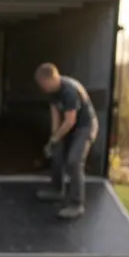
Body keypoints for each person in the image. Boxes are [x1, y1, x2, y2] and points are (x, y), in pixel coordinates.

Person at [33, 63, 99, 220]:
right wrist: (53, 139)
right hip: (70, 126)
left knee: (74, 160)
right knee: (57, 152)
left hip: (85, 127)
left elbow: (70, 120)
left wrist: (56, 137)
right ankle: (57, 190)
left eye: (43, 84)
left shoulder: (69, 90)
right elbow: (55, 116)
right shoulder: (51, 92)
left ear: (52, 79)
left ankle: (77, 204)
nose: (42, 88)